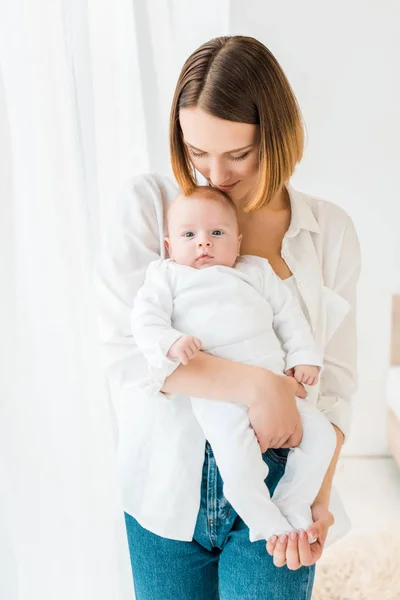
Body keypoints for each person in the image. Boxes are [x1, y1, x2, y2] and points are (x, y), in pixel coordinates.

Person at [95, 35, 360, 600]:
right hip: (165, 492)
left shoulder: (329, 232)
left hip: (280, 482)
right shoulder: (153, 210)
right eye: (196, 153)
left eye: (238, 153)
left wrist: (314, 497)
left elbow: (335, 386)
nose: (214, 174)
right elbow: (130, 355)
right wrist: (259, 386)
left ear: (278, 135)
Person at [131, 185, 337, 544]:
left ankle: (293, 503)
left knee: (322, 438)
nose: (203, 243)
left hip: (276, 386)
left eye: (217, 233)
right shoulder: (166, 275)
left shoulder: (255, 271)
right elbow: (145, 320)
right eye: (189, 235)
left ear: (238, 242)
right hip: (217, 395)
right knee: (238, 465)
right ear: (169, 246)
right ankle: (266, 523)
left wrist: (304, 356)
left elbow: (288, 316)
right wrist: (171, 341)